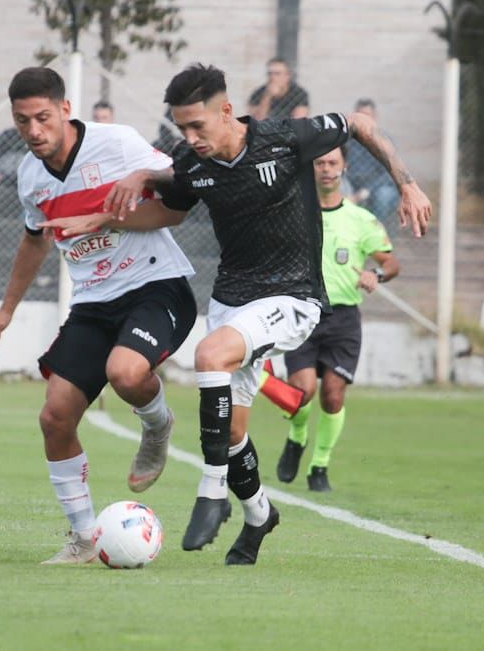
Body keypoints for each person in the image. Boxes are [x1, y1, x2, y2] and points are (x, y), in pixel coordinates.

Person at [43, 63, 430, 565]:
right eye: (182, 127)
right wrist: (106, 211)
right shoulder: (192, 161)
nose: (190, 137)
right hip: (233, 299)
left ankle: (210, 492)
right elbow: (173, 205)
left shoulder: (284, 137)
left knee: (209, 355)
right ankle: (258, 516)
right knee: (230, 431)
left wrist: (408, 185)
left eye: (198, 125)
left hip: (293, 297)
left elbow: (359, 122)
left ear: (226, 111)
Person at [0, 67, 198, 565]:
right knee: (54, 417)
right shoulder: (30, 175)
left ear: (65, 110)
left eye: (43, 118)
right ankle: (81, 539)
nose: (34, 131)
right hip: (94, 303)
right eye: (22, 121)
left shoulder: (116, 144)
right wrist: (6, 310)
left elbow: (181, 197)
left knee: (125, 372)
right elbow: (35, 239)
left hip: (156, 285)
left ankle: (157, 426)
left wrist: (107, 210)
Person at [260, 144, 400, 492]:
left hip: (344, 318)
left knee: (333, 396)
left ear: (344, 167)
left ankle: (319, 466)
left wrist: (376, 276)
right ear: (312, 169)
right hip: (303, 313)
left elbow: (391, 264)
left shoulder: (361, 219)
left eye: (332, 162)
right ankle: (296, 437)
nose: (326, 168)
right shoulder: (295, 214)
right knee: (302, 392)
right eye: (320, 162)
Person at [344, 99, 400, 225]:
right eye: (360, 116)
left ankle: (379, 231)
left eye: (367, 116)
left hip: (378, 187)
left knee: (383, 196)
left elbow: (387, 174)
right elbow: (342, 169)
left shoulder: (384, 140)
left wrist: (365, 192)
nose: (364, 120)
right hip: (353, 185)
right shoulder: (346, 142)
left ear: (374, 117)